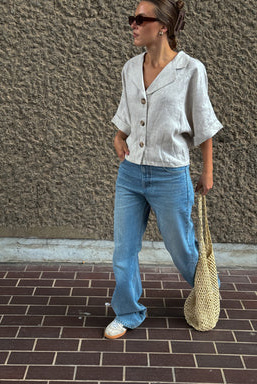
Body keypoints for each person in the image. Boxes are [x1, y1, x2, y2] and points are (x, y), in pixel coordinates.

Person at [104, 0, 223, 339]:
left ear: (163, 27)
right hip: (130, 174)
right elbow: (125, 118)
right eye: (133, 18)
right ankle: (127, 312)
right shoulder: (130, 68)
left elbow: (203, 124)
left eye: (141, 19)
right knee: (123, 251)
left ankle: (207, 291)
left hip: (171, 174)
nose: (133, 24)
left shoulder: (190, 70)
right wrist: (118, 136)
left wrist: (207, 170)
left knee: (182, 247)